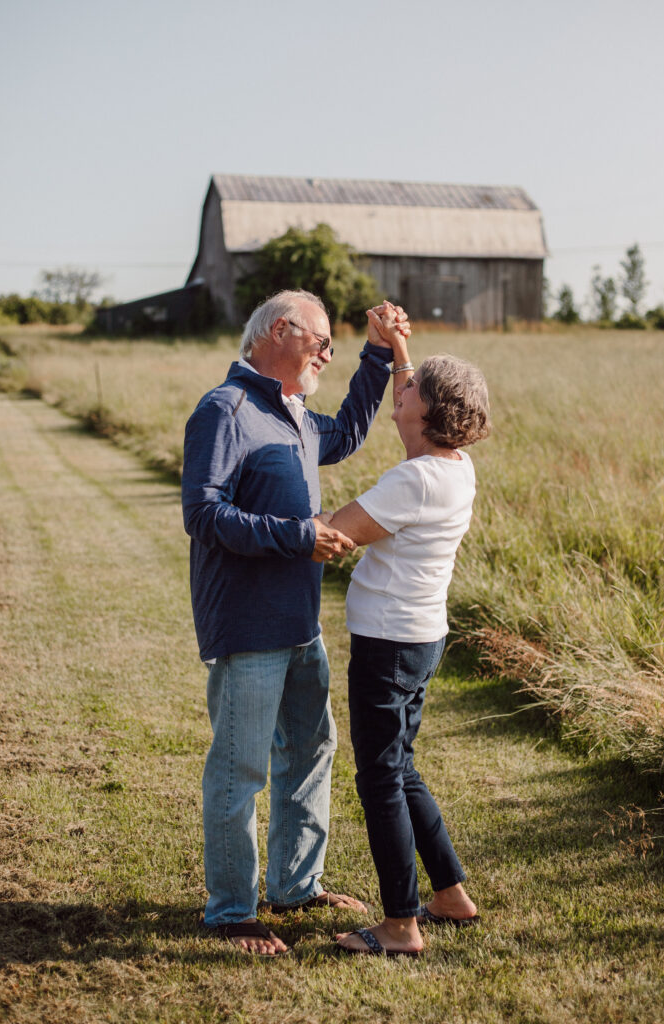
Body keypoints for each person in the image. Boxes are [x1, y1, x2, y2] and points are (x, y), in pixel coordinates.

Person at [181, 289, 410, 956]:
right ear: (279, 331)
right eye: (321, 343)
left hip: (299, 624)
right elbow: (203, 514)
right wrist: (294, 535)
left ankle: (293, 885)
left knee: (311, 753)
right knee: (239, 768)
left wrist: (374, 353)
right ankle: (229, 913)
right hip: (248, 626)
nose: (326, 356)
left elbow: (344, 434)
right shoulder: (224, 410)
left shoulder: (295, 413)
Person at [324, 307, 491, 956]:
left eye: (413, 387)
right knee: (402, 768)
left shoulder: (411, 480)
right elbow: (409, 389)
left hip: (388, 646)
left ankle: (399, 924)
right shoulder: (451, 468)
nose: (404, 387)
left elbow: (336, 530)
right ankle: (448, 893)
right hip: (420, 638)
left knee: (380, 780)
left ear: (426, 413)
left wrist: (275, 526)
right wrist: (396, 346)